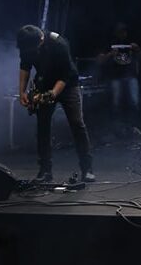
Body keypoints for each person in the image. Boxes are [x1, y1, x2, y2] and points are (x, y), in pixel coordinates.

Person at [17, 25, 95, 183]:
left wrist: (53, 94)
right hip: (44, 83)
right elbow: (25, 68)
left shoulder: (59, 44)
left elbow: (65, 75)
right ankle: (45, 171)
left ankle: (87, 169)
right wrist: (22, 92)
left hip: (67, 85)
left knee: (77, 123)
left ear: (41, 40)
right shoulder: (27, 43)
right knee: (42, 126)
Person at [97, 22, 141, 142]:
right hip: (115, 77)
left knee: (134, 101)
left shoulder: (131, 42)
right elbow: (99, 60)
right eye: (120, 31)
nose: (122, 34)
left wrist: (137, 50)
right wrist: (110, 54)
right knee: (116, 103)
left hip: (131, 76)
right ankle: (116, 129)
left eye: (124, 31)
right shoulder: (110, 43)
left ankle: (134, 127)